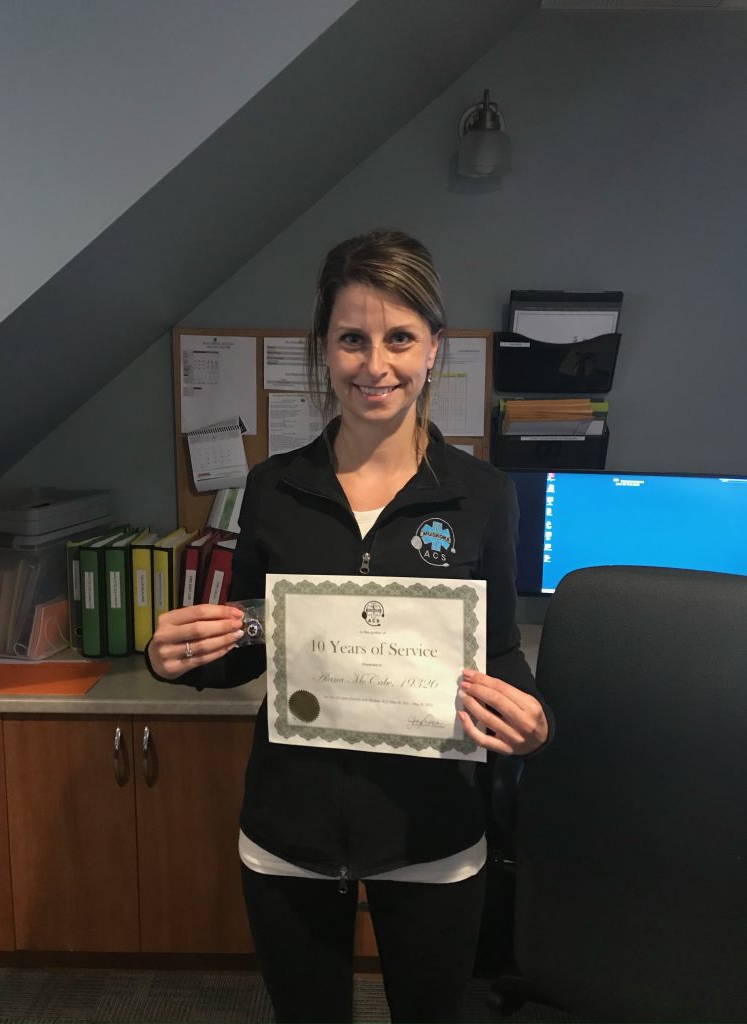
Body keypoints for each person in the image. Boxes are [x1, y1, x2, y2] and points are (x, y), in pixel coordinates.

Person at [147, 229, 551, 1023]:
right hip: (291, 831)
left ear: (434, 348)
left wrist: (530, 718)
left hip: (431, 832)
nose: (375, 365)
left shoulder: (482, 495)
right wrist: (181, 657)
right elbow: (253, 637)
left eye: (400, 338)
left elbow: (498, 647)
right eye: (352, 339)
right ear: (324, 350)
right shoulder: (276, 487)